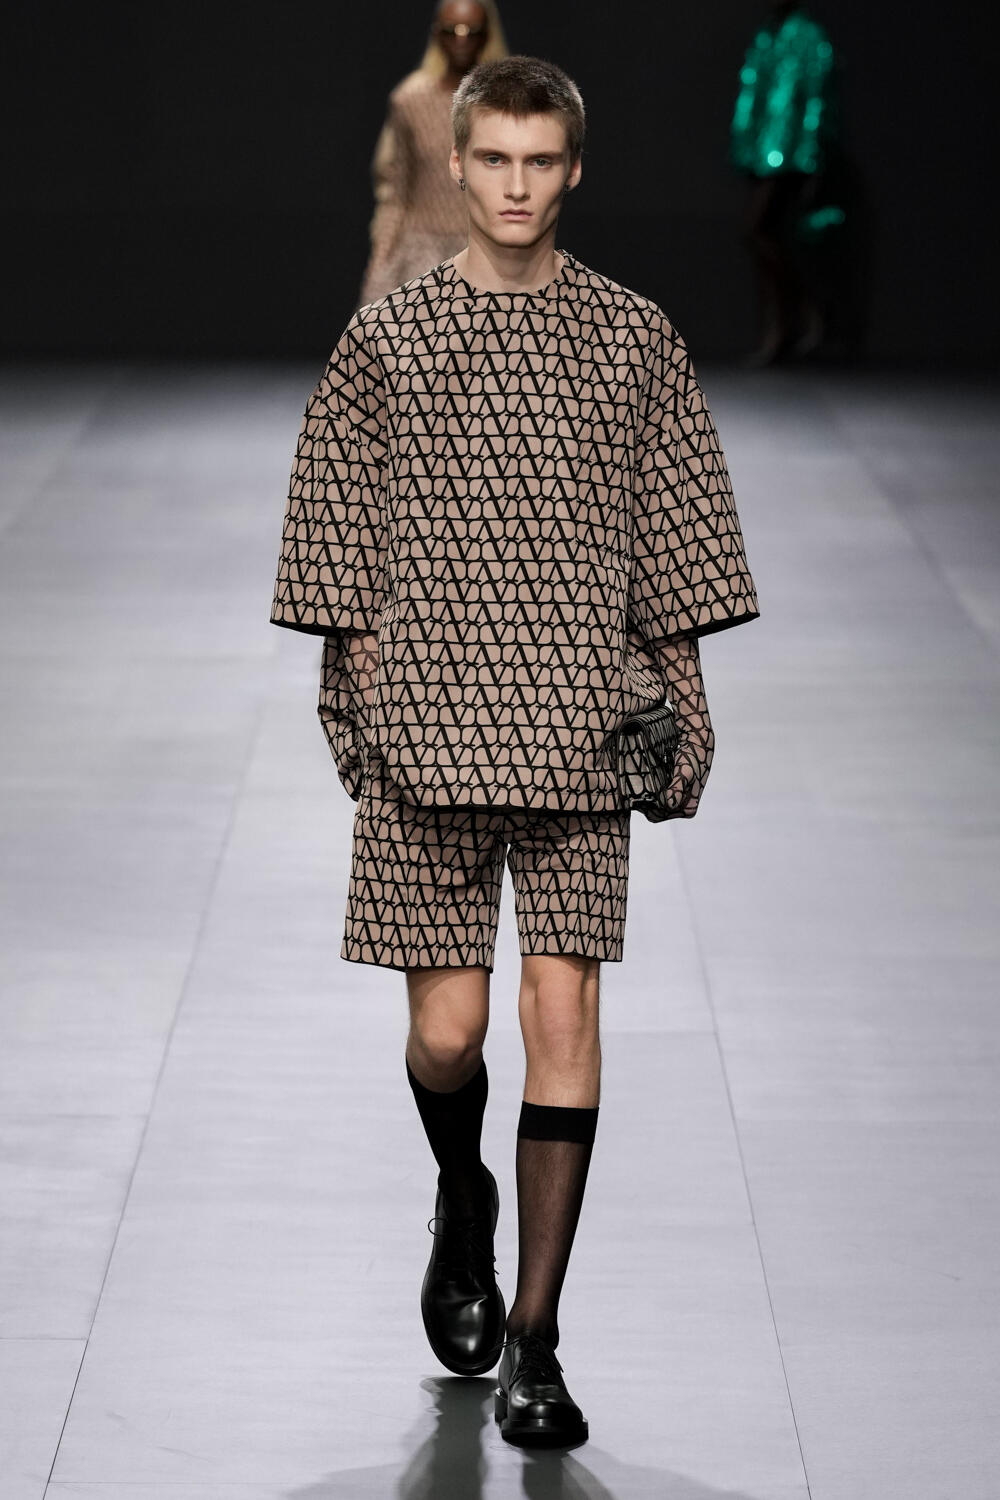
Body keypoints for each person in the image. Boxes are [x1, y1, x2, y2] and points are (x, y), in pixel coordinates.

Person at [270, 55, 760, 1448]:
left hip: (578, 728)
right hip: (428, 731)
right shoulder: (387, 345)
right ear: (457, 163)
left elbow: (677, 541)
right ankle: (463, 1189)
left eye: (541, 162)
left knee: (564, 1018)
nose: (517, 186)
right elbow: (336, 546)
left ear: (573, 169)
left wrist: (677, 712)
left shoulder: (633, 339)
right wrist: (359, 707)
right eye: (494, 160)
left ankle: (538, 1338)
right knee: (448, 1036)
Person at [356, 0, 509, 308]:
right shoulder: (409, 101)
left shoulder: (505, 103)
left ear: (486, 35)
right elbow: (395, 190)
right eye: (452, 30)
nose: (461, 40)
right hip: (417, 256)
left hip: (486, 251)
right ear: (437, 34)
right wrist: (381, 261)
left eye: (471, 31)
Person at [730, 0, 841, 364]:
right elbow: (753, 95)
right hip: (766, 155)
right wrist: (747, 150)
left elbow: (818, 101)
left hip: (792, 156)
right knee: (771, 237)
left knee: (760, 230)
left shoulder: (808, 36)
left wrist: (812, 158)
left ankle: (803, 315)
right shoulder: (768, 36)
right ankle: (789, 325)